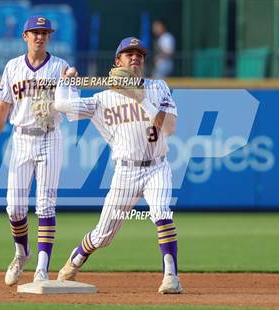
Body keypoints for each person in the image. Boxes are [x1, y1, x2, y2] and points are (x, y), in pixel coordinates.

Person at [53, 37, 183, 294]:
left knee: (161, 212)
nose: (135, 57)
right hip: (125, 171)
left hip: (157, 166)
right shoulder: (103, 99)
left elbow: (170, 128)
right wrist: (66, 81)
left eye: (139, 54)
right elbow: (62, 105)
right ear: (117, 62)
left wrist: (140, 99)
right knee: (103, 235)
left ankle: (171, 276)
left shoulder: (158, 88)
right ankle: (76, 259)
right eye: (128, 53)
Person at [0, 15, 70, 286]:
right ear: (25, 36)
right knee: (15, 209)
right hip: (21, 137)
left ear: (49, 37)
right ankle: (22, 253)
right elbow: (3, 106)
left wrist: (70, 82)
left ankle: (42, 269)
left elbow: (71, 103)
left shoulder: (60, 66)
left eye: (44, 32)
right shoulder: (12, 67)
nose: (40, 36)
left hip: (50, 137)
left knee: (46, 205)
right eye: (35, 32)